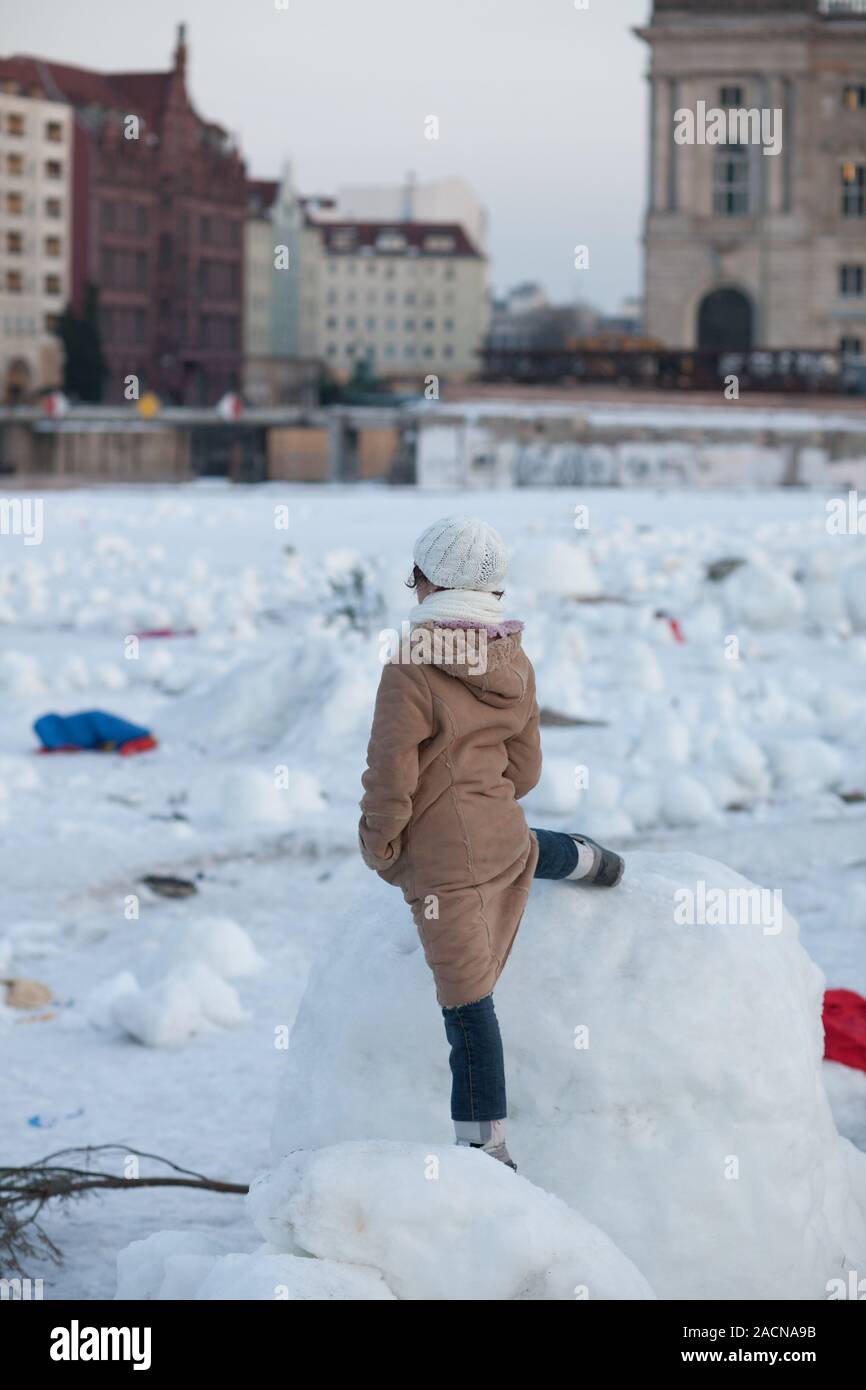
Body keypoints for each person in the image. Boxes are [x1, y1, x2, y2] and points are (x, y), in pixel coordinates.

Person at [358, 516, 624, 1172]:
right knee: (523, 852)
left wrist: (380, 844)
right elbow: (525, 772)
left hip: (443, 860)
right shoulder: (512, 656)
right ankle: (589, 858)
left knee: (466, 999)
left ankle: (486, 1146)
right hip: (501, 831)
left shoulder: (409, 665)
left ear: (430, 581)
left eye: (414, 576)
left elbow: (391, 773)